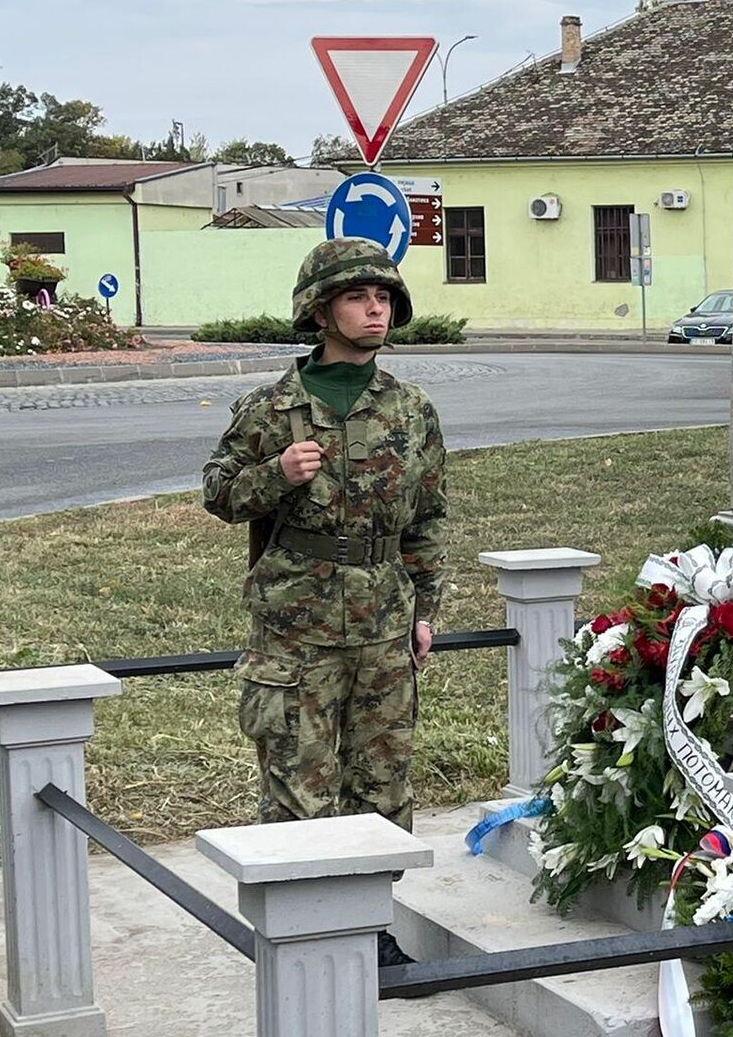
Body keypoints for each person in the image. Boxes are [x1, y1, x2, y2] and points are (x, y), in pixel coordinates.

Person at [202, 237, 448, 968]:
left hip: (383, 623)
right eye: (356, 298)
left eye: (383, 300)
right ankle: (301, 936)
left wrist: (426, 610)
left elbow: (428, 519)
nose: (374, 311)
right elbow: (218, 492)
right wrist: (275, 474)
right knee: (298, 781)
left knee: (381, 781)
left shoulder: (411, 411)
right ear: (319, 310)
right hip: (296, 625)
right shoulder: (272, 406)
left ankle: (370, 930)